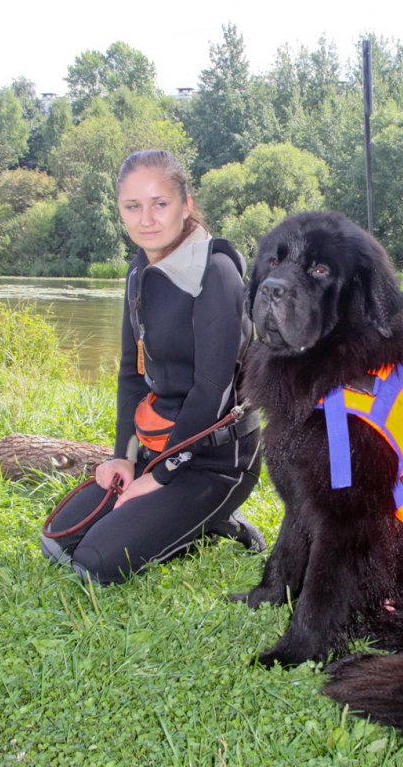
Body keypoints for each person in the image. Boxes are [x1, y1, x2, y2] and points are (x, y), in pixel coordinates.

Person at [41, 149, 264, 585]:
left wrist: (159, 477)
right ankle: (183, 514)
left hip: (216, 460)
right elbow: (130, 372)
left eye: (159, 203)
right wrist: (123, 460)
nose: (146, 218)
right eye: (133, 206)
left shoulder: (216, 273)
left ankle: (218, 519)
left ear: (186, 204)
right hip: (157, 447)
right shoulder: (138, 269)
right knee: (56, 541)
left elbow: (212, 391)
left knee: (96, 564)